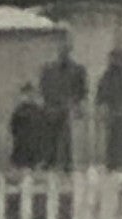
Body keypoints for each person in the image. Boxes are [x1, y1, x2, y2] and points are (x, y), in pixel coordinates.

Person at [39, 40, 89, 172]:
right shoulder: (49, 69)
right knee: (50, 135)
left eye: (65, 50)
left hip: (68, 107)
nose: (63, 53)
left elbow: (82, 90)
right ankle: (50, 160)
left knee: (66, 135)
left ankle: (67, 162)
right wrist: (47, 102)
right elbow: (44, 87)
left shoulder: (77, 70)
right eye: (61, 50)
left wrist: (75, 103)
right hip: (52, 106)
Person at [9, 82, 50, 171]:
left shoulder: (38, 111)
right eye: (26, 94)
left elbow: (43, 129)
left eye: (29, 94)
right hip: (22, 147)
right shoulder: (19, 111)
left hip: (34, 148)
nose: (28, 97)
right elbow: (14, 128)